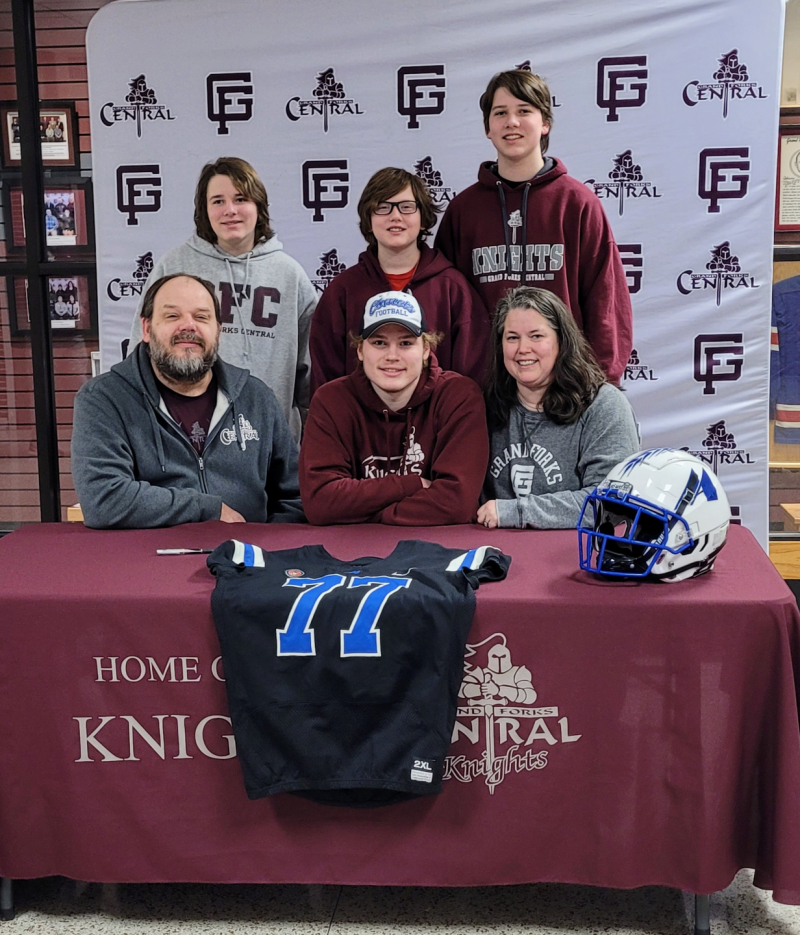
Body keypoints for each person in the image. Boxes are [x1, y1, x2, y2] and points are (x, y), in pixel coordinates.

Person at [434, 69, 632, 385]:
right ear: (488, 128)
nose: (512, 122)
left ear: (545, 123)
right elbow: (442, 307)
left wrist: (602, 385)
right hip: (485, 393)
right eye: (500, 113)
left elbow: (606, 303)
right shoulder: (463, 211)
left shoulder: (577, 203)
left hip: (567, 388)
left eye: (524, 110)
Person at [72, 273, 304, 529]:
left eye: (202, 317)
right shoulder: (104, 399)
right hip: (146, 563)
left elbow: (295, 495)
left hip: (245, 561)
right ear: (147, 329)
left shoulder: (256, 398)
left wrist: (267, 549)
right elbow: (104, 499)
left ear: (218, 331)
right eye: (172, 316)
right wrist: (206, 508)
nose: (188, 326)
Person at [129, 157, 316, 441]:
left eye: (241, 199)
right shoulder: (173, 268)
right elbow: (140, 353)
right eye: (217, 201)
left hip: (270, 442)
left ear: (258, 207)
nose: (230, 210)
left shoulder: (290, 276)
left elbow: (309, 376)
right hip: (186, 441)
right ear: (204, 210)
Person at [300, 291, 488, 525]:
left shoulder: (458, 396)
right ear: (360, 350)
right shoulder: (330, 401)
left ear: (426, 351)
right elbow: (320, 503)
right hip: (351, 552)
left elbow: (457, 505)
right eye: (379, 342)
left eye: (406, 343)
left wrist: (370, 513)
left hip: (437, 552)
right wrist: (414, 484)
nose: (392, 356)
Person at [309, 167, 488, 394]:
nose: (395, 216)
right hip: (359, 427)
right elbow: (326, 381)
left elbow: (472, 377)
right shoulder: (342, 291)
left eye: (406, 207)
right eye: (383, 207)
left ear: (423, 219)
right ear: (369, 219)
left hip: (439, 425)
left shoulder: (452, 289)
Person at [478, 286, 639, 530]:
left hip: (571, 556)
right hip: (493, 553)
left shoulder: (604, 405)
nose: (523, 349)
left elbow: (610, 503)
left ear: (562, 341)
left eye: (536, 336)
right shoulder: (483, 404)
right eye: (512, 337)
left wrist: (516, 512)